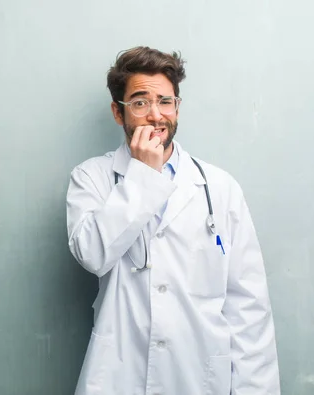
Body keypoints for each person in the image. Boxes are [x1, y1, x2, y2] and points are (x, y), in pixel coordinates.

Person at [65, 46, 281, 395]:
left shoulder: (219, 187)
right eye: (139, 102)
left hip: (198, 376)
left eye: (165, 102)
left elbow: (248, 307)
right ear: (118, 113)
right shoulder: (92, 178)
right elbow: (92, 254)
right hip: (121, 377)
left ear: (177, 107)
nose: (155, 115)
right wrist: (142, 176)